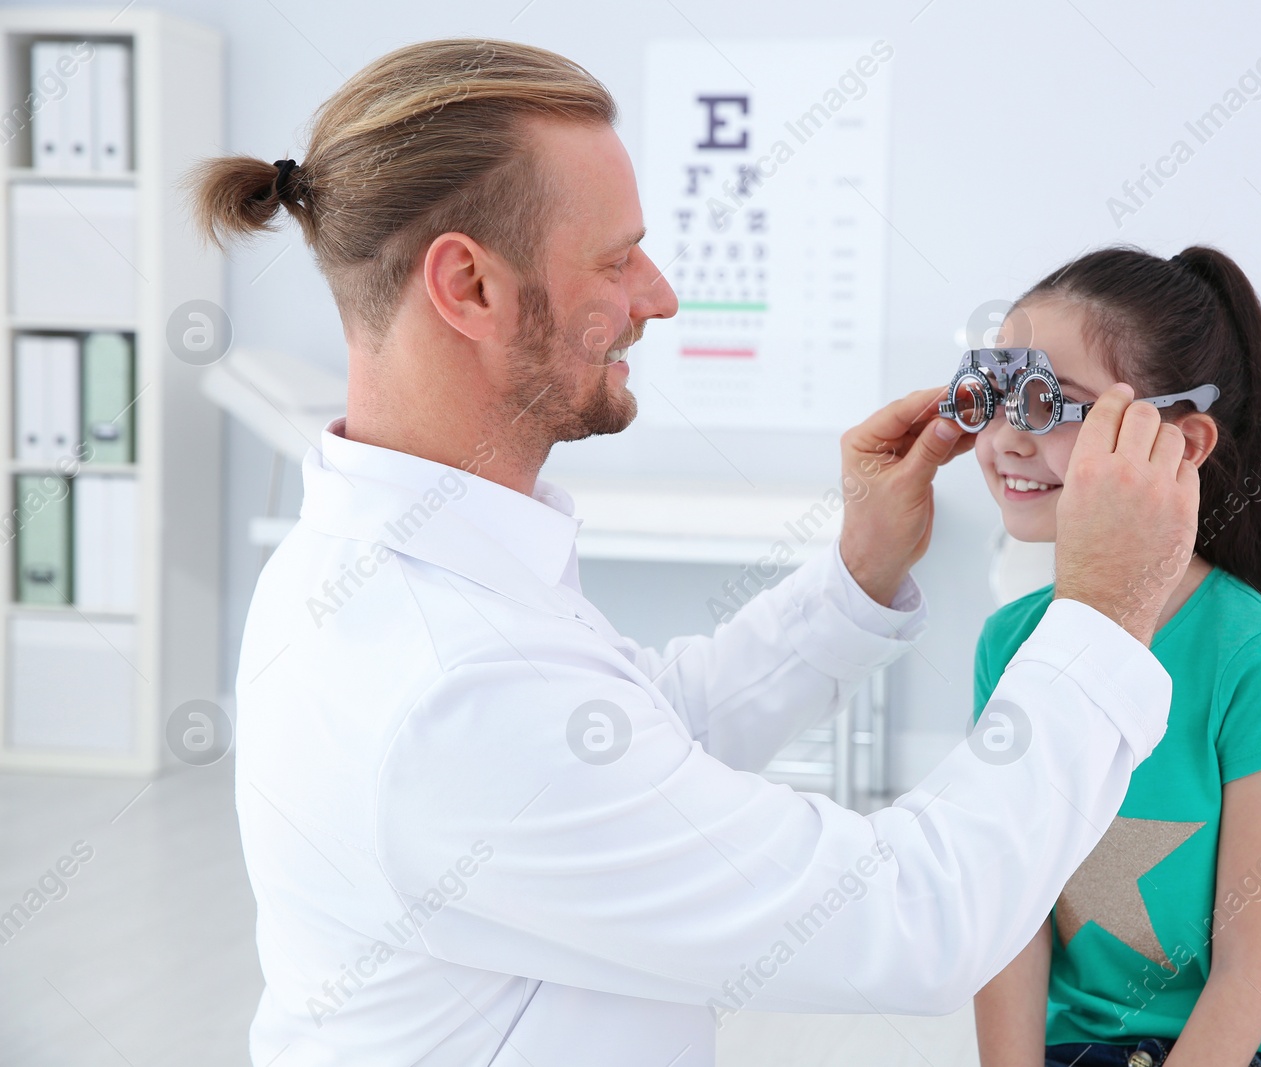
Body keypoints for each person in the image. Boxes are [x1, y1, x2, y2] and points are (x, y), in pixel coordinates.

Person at [193, 40, 1201, 1067]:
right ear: (470, 286)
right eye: (614, 257)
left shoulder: (376, 571)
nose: (660, 294)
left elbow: (637, 746)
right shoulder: (455, 683)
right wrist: (1103, 617)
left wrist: (855, 575)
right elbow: (911, 918)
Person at [968, 247, 1261, 1067]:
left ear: (1182, 442)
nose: (1009, 437)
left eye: (1053, 403)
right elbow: (1007, 924)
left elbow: (1247, 978)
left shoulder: (1256, 655)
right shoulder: (1007, 645)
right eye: (994, 393)